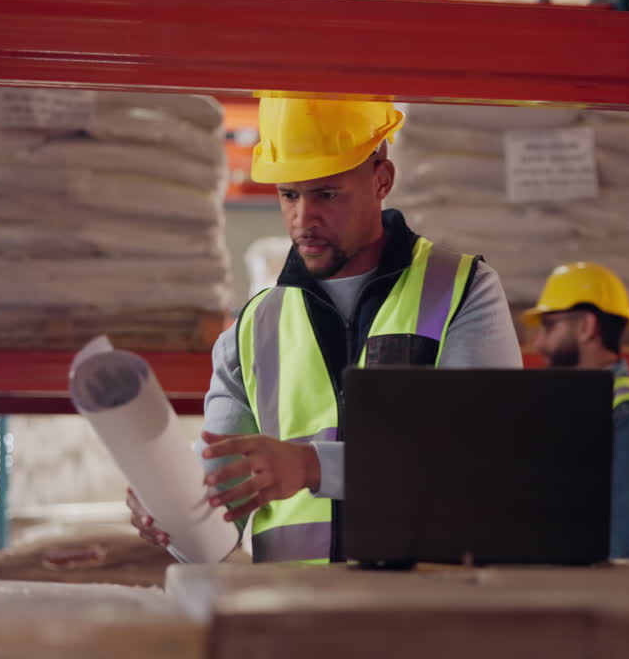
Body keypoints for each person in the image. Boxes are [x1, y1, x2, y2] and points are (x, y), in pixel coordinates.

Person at [129, 97, 522, 563]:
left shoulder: (460, 291)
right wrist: (173, 518)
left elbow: (485, 466)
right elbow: (218, 522)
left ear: (382, 180)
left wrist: (312, 466)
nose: (303, 219)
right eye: (289, 195)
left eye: (326, 194)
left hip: (428, 617)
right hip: (297, 622)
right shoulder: (252, 331)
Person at [522, 262, 629, 559]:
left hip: (606, 599)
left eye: (549, 326)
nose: (540, 343)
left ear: (586, 327)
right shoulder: (582, 410)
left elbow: (623, 555)